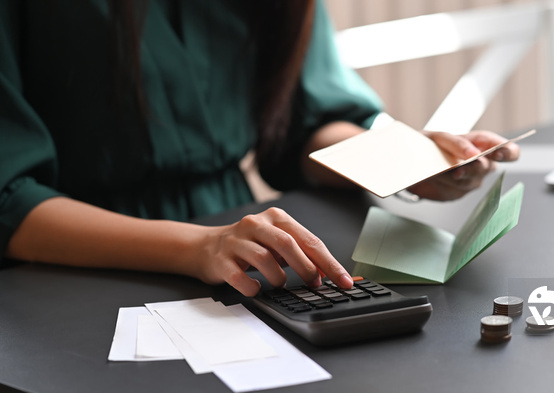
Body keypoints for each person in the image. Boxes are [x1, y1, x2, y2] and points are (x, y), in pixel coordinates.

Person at [0, 0, 520, 297]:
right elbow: (9, 199)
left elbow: (301, 126)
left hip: (238, 251)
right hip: (65, 264)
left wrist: (403, 162)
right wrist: (198, 246)